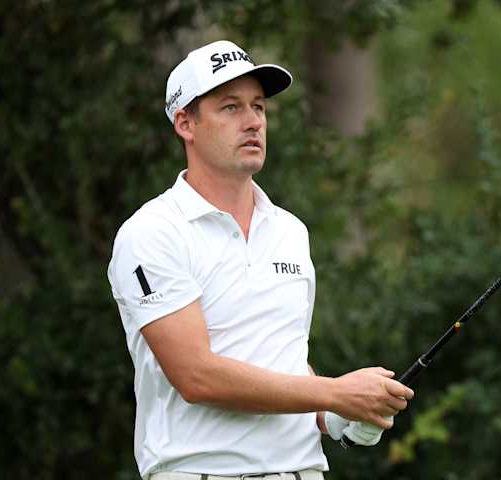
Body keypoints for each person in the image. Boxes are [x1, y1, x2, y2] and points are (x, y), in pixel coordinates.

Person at [107, 40, 414, 480]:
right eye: (230, 108)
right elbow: (197, 376)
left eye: (259, 107)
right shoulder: (153, 232)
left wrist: (337, 415)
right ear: (185, 123)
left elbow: (283, 359)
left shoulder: (290, 231)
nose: (252, 121)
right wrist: (333, 393)